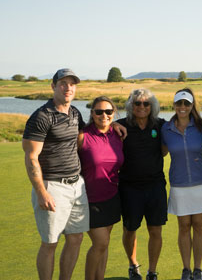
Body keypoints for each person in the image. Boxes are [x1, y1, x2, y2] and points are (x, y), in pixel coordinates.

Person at [23, 68, 89, 280]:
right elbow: (31, 157)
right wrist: (42, 192)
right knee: (50, 243)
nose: (68, 87)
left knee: (76, 238)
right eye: (63, 83)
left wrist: (115, 126)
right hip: (52, 185)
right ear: (53, 86)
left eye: (72, 83)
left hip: (77, 185)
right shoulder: (41, 116)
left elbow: (83, 139)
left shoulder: (75, 113)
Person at [161, 89, 202, 280]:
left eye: (187, 104)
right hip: (179, 183)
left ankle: (198, 269)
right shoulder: (166, 128)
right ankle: (186, 269)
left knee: (200, 225)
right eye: (179, 104)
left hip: (201, 181)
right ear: (174, 105)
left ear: (192, 105)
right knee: (184, 226)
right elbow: (160, 152)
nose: (183, 107)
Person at [117, 89, 167, 280]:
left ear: (152, 106)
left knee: (155, 230)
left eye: (146, 104)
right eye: (137, 103)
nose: (142, 107)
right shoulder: (120, 126)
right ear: (131, 105)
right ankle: (133, 265)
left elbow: (182, 125)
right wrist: (112, 123)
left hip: (155, 186)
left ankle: (152, 271)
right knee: (130, 229)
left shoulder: (160, 125)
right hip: (129, 187)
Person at [78, 96, 124, 280]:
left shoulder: (118, 134)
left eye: (108, 111)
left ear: (113, 114)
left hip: (112, 197)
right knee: (100, 243)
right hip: (89, 199)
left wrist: (116, 126)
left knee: (104, 245)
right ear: (92, 113)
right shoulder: (82, 135)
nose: (103, 115)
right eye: (99, 111)